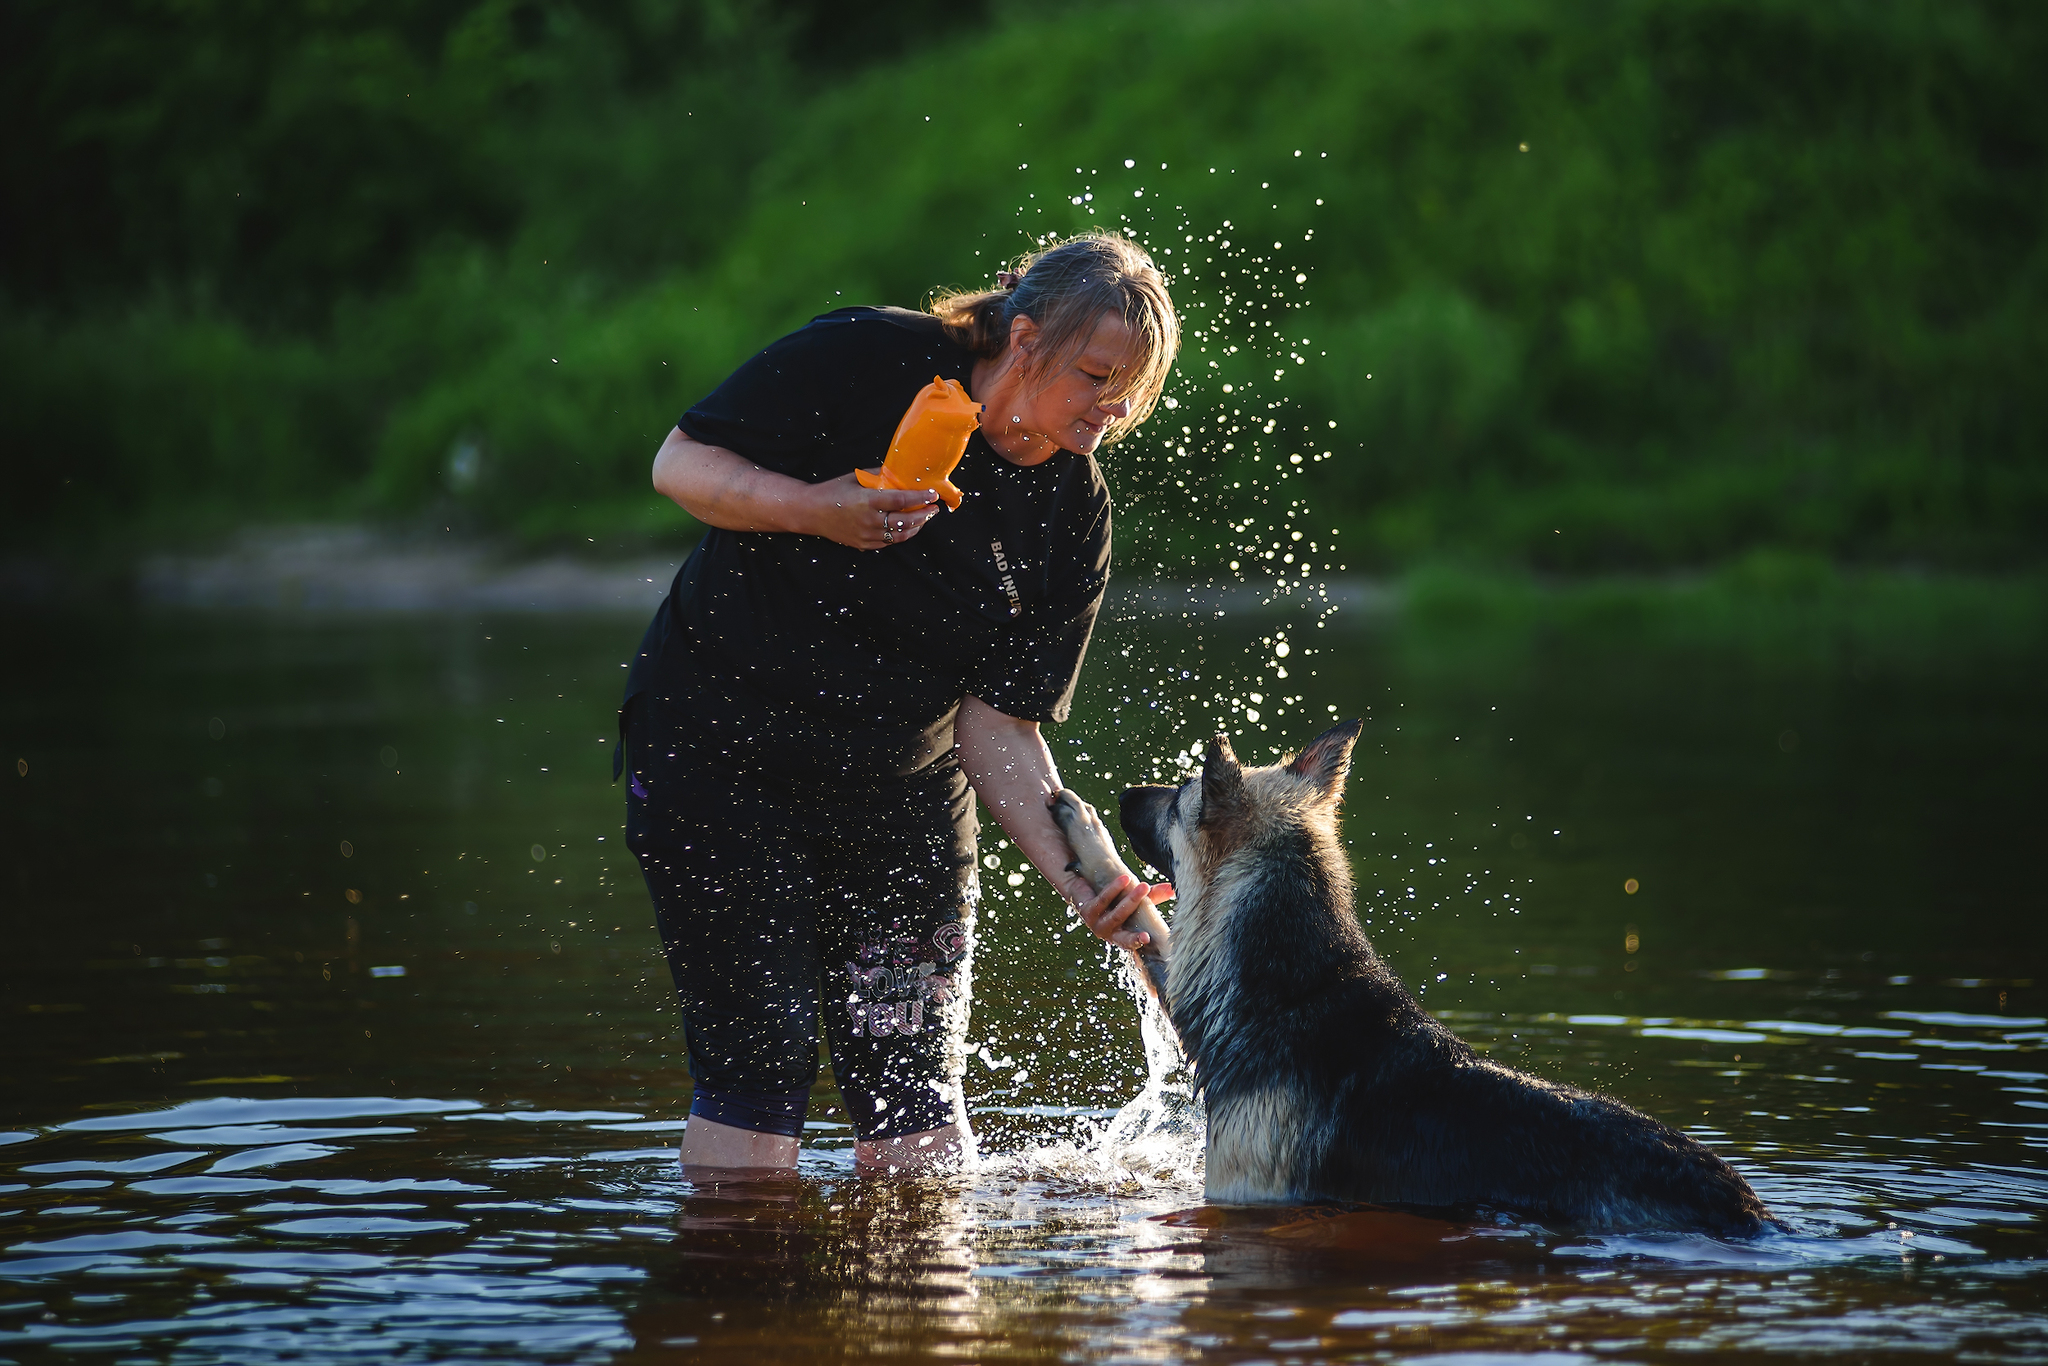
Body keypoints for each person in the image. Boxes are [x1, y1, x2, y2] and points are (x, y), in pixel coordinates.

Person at [620, 230, 1180, 1175]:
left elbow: (996, 725)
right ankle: (742, 1312)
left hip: (899, 789)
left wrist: (1092, 882)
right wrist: (816, 507)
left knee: (918, 1123)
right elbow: (679, 465)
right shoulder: (869, 356)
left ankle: (921, 1320)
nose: (1113, 406)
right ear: (1026, 335)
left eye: (1133, 388)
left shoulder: (1073, 511)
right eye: (1094, 375)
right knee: (762, 1080)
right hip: (717, 756)